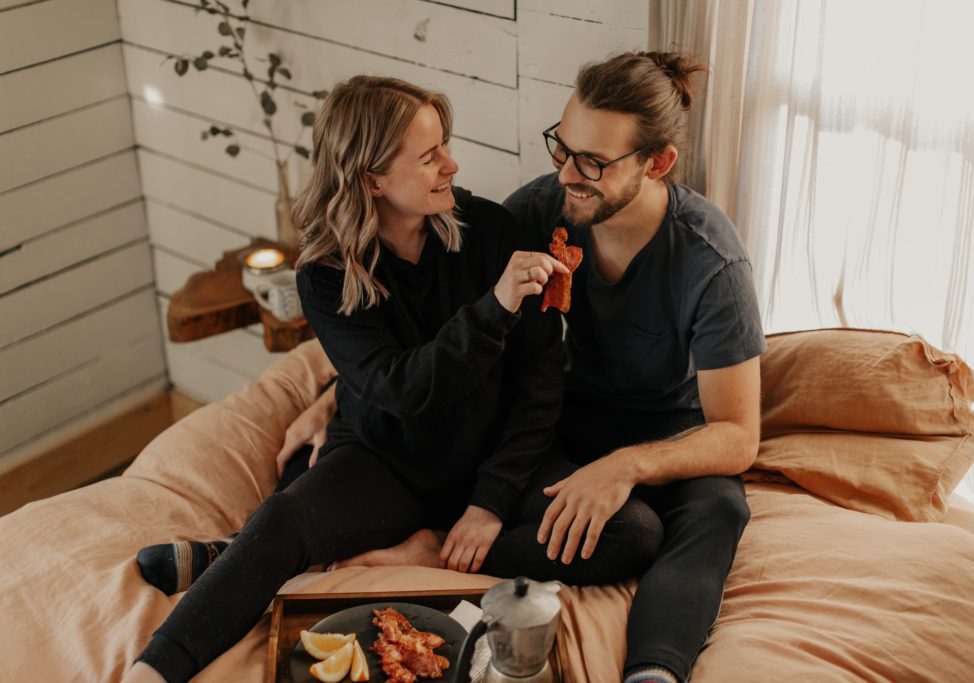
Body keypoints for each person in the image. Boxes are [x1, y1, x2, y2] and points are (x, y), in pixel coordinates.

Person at [122, 75, 662, 683]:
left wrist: (490, 502)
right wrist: (495, 307)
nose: (451, 165)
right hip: (387, 463)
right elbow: (400, 389)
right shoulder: (323, 276)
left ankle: (423, 547)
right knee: (283, 514)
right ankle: (159, 662)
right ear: (372, 178)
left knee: (632, 531)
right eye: (430, 156)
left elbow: (540, 383)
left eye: (445, 146)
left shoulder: (493, 233)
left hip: (495, 458)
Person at [503, 51, 765, 683]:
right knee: (631, 532)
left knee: (721, 510)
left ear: (658, 163)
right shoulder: (542, 208)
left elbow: (738, 434)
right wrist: (333, 392)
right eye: (562, 149)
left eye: (594, 161)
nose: (568, 174)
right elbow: (447, 319)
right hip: (562, 425)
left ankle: (653, 672)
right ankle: (444, 546)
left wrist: (629, 465)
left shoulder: (711, 261)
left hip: (673, 435)